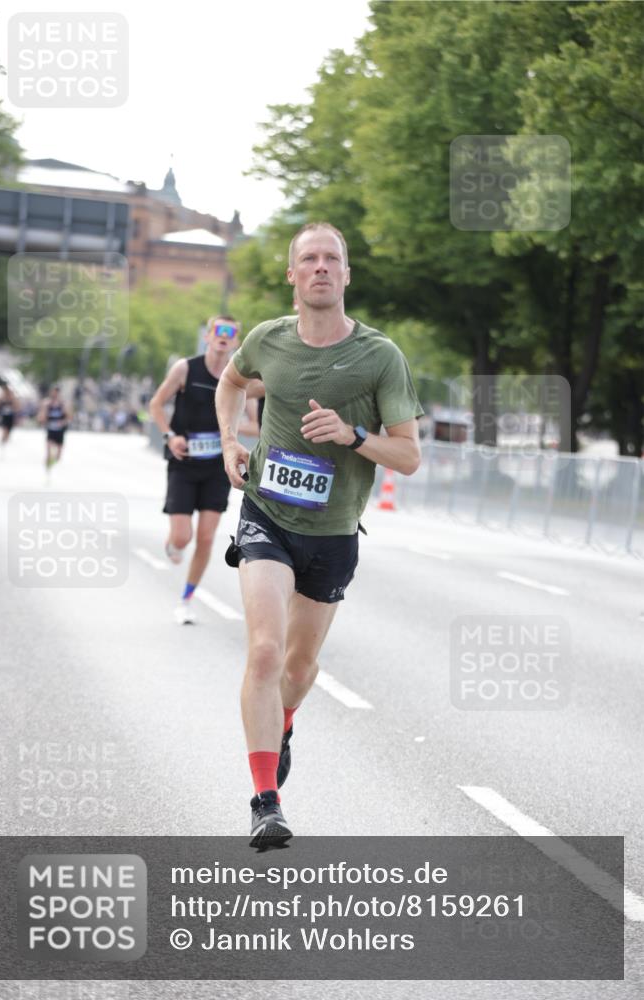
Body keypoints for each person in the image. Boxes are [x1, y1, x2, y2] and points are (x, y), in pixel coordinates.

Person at [215, 222, 423, 847]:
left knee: (300, 667)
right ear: (293, 275)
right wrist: (229, 439)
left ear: (347, 274)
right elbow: (231, 381)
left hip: (333, 535)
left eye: (333, 258)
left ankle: (285, 721)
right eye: (309, 259)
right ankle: (265, 801)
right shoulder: (267, 341)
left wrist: (354, 435)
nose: (321, 267)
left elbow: (408, 457)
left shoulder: (380, 356)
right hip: (267, 517)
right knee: (266, 651)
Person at [149, 316, 261, 625]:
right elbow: (156, 404)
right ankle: (173, 543)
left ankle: (186, 599)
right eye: (218, 331)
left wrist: (227, 428)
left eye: (231, 333)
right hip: (184, 462)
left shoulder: (239, 381)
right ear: (208, 336)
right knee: (183, 537)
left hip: (217, 466)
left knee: (207, 538)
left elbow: (254, 424)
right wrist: (170, 437)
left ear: (236, 341)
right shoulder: (186, 368)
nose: (224, 337)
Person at [38, 385, 72, 471]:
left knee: (58, 456)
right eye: (53, 392)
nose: (55, 394)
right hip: (51, 430)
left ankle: (52, 462)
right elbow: (41, 417)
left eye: (56, 392)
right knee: (49, 449)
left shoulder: (63, 404)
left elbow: (69, 417)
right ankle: (47, 465)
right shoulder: (47, 403)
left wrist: (63, 422)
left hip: (60, 431)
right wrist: (43, 419)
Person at [0, 383, 18, 450]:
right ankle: (2, 441)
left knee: (8, 432)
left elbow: (17, 407)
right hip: (4, 416)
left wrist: (12, 399)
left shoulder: (12, 398)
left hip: (10, 417)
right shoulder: (1, 397)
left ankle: (5, 440)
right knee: (4, 429)